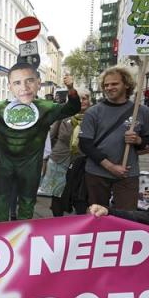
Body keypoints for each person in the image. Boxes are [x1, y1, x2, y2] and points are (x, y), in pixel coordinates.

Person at [0, 64, 80, 222]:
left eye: (29, 81)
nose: (24, 87)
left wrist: (71, 89)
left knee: (27, 202)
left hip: (30, 165)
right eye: (17, 83)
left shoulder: (46, 108)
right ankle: (0, 233)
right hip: (5, 165)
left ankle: (24, 233)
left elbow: (72, 108)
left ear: (38, 83)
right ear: (10, 86)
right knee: (1, 200)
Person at [79, 65, 149, 210]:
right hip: (97, 172)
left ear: (126, 84)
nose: (109, 87)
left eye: (114, 83)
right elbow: (85, 144)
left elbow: (148, 142)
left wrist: (137, 140)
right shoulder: (93, 112)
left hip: (127, 173)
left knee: (127, 215)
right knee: (97, 215)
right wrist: (111, 167)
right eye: (106, 85)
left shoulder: (142, 111)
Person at [38, 88, 91, 216]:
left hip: (83, 161)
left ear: (89, 101)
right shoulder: (64, 115)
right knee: (57, 195)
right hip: (59, 160)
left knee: (80, 195)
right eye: (79, 98)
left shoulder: (94, 116)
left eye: (84, 98)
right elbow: (52, 136)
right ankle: (58, 222)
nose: (81, 101)